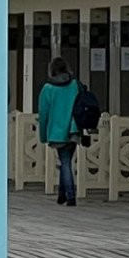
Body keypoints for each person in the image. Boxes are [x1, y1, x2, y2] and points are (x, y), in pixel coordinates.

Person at [35, 56, 83, 207]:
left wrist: (43, 136)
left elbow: (44, 114)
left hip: (57, 132)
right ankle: (62, 195)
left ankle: (70, 196)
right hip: (74, 129)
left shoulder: (48, 89)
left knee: (65, 162)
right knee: (66, 162)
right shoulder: (75, 85)